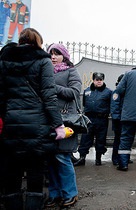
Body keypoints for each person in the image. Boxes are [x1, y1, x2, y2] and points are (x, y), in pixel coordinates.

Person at [0, 28, 66, 210]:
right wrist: (58, 124)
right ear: (38, 41)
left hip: (11, 123)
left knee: (12, 171)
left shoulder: (5, 60)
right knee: (35, 171)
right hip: (36, 124)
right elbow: (49, 96)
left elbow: (2, 94)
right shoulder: (43, 60)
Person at [46, 43, 81, 208]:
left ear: (64, 56)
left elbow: (74, 92)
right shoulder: (45, 71)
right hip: (47, 120)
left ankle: (70, 194)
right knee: (50, 159)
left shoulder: (70, 71)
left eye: (57, 54)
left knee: (62, 157)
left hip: (66, 121)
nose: (53, 57)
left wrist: (54, 87)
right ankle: (54, 194)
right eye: (51, 54)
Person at [74, 72, 111, 166]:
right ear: (93, 80)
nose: (99, 82)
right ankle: (82, 157)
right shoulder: (87, 91)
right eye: (97, 80)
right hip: (89, 118)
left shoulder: (108, 92)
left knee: (101, 139)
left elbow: (111, 105)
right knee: (85, 138)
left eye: (100, 80)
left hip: (102, 119)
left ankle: (98, 158)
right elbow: (84, 104)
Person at [111, 73, 124, 165]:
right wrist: (117, 118)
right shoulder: (116, 92)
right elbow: (114, 107)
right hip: (118, 120)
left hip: (125, 119)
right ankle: (115, 158)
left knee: (124, 140)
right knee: (118, 139)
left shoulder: (125, 91)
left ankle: (122, 157)